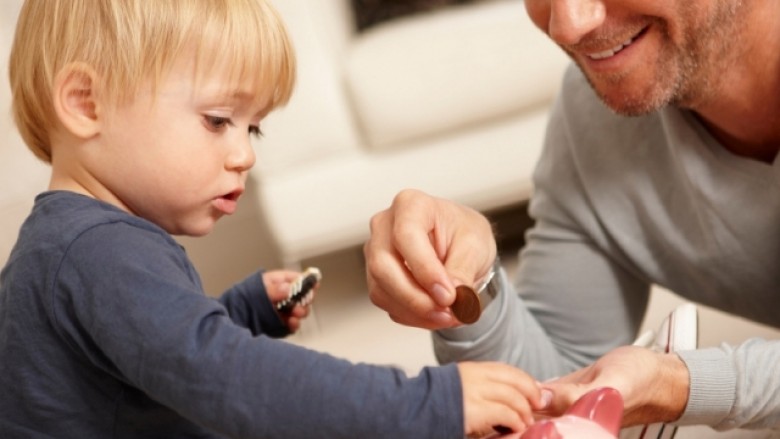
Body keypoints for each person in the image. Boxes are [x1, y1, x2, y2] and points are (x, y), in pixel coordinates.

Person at [0, 1, 549, 437]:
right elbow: (235, 382)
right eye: (217, 120)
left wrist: (240, 311)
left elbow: (148, 353)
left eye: (253, 128)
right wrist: (431, 406)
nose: (245, 155)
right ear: (85, 103)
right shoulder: (99, 253)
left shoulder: (72, 246)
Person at [364, 0, 780, 434]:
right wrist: (472, 281)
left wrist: (682, 385)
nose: (567, 25)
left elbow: (673, 387)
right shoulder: (594, 120)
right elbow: (552, 392)